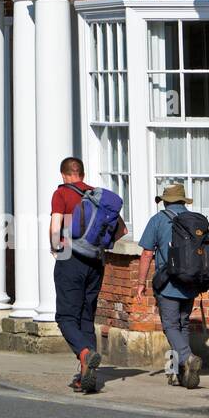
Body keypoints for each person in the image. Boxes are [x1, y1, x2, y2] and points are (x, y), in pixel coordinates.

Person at [50, 156, 127, 393]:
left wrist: (56, 249)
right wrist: (98, 247)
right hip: (96, 263)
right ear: (82, 174)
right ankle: (86, 375)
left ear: (64, 174)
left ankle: (84, 354)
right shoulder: (97, 196)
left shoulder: (62, 193)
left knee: (65, 317)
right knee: (86, 316)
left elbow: (56, 226)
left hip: (70, 258)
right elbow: (121, 230)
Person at [137, 183, 209, 390]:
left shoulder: (158, 220)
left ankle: (187, 357)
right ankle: (177, 372)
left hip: (168, 282)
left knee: (170, 326)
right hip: (192, 281)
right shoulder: (197, 223)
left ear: (165, 201)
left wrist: (141, 283)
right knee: (182, 324)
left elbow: (147, 254)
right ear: (184, 201)